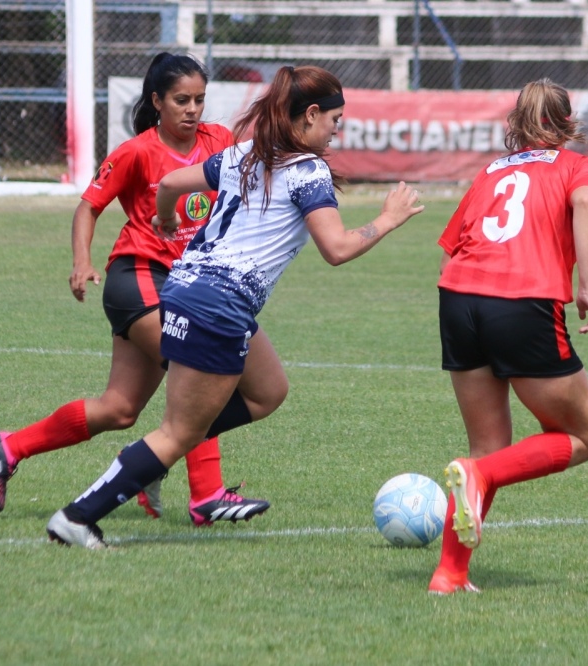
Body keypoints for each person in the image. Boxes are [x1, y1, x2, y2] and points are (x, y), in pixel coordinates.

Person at [44, 65, 425, 549]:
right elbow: (337, 248)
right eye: (335, 119)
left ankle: (151, 455)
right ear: (310, 115)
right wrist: (387, 220)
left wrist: (163, 220)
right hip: (218, 304)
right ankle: (77, 518)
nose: (337, 130)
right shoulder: (308, 171)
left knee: (268, 390)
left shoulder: (243, 153)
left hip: (187, 288)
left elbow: (169, 185)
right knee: (179, 433)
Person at [0, 52, 271, 526]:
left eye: (199, 99)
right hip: (138, 277)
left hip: (183, 286)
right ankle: (206, 496)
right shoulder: (136, 151)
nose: (192, 109)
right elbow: (88, 207)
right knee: (201, 359)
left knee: (118, 409)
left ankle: (8, 446)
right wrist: (81, 263)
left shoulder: (219, 140)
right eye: (181, 100)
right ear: (157, 101)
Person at [427, 78, 588, 595]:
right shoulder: (577, 166)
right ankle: (477, 475)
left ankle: (449, 574)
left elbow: (450, 249)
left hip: (458, 298)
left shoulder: (489, 171)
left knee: (487, 446)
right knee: (582, 438)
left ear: (516, 125)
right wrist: (587, 286)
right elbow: (587, 205)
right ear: (567, 124)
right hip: (522, 301)